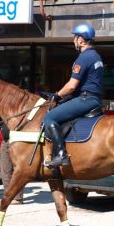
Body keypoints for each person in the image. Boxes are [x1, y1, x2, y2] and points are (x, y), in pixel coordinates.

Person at [43, 23, 104, 167]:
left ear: (82, 39)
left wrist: (56, 96)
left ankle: (61, 154)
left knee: (49, 117)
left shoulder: (84, 57)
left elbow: (71, 86)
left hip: (85, 99)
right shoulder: (96, 56)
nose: (73, 40)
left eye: (75, 37)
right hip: (94, 98)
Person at [0, 124, 24, 204]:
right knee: (5, 170)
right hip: (5, 141)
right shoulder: (3, 111)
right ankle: (8, 196)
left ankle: (18, 198)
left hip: (18, 142)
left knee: (18, 171)